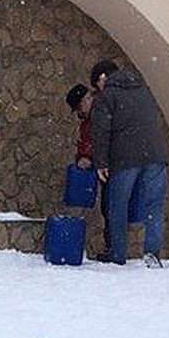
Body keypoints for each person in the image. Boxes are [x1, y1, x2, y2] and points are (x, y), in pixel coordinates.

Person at [89, 59, 169, 267]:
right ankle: (152, 253)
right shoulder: (143, 89)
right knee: (155, 206)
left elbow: (100, 132)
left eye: (96, 84)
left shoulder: (106, 97)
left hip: (125, 157)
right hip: (155, 154)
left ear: (103, 78)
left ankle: (118, 254)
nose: (97, 89)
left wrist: (101, 163)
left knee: (118, 206)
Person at [64, 82, 112, 260]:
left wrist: (87, 157)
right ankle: (111, 247)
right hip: (105, 168)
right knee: (108, 207)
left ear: (87, 100)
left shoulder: (100, 114)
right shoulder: (89, 120)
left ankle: (113, 249)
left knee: (111, 207)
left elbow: (99, 140)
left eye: (79, 107)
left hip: (111, 167)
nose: (79, 113)